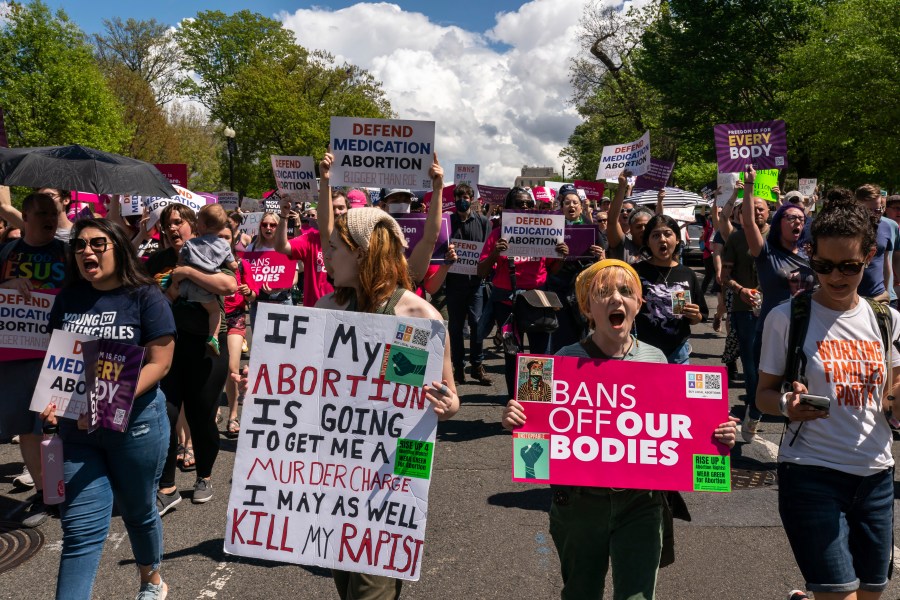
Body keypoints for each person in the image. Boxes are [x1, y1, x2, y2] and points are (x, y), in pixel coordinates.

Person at [502, 258, 737, 600]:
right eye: (604, 292)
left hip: (641, 504)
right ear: (586, 307)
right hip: (578, 507)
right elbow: (533, 437)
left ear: (639, 304)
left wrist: (718, 435)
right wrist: (517, 420)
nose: (616, 299)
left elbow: (680, 428)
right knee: (581, 592)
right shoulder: (559, 363)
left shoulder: (657, 360)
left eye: (627, 292)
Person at [756, 191, 900, 600]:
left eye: (849, 266)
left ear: (870, 256)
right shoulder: (788, 318)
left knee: (871, 594)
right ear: (810, 255)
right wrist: (786, 404)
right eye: (823, 266)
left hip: (875, 476)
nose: (836, 276)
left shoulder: (886, 319)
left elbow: (892, 397)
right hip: (811, 473)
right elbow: (764, 395)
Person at [316, 206, 459, 600]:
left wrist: (446, 405)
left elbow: (447, 397)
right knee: (345, 581)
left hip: (392, 475)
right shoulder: (326, 310)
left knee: (369, 589)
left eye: (333, 248)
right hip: (338, 469)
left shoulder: (414, 317)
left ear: (362, 252)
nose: (324, 256)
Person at [40, 218, 175, 600]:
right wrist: (49, 401)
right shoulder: (68, 298)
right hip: (77, 431)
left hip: (135, 428)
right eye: (80, 246)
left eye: (98, 243)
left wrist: (109, 398)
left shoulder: (146, 296)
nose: (87, 252)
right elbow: (58, 358)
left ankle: (151, 579)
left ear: (119, 247)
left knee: (138, 511)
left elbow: (160, 363)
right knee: (80, 531)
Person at [145, 203, 236, 512]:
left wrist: (185, 272)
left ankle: (204, 477)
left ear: (193, 225)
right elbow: (145, 296)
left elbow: (229, 284)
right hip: (167, 347)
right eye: (166, 224)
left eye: (177, 222)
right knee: (166, 414)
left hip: (208, 347)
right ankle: (167, 486)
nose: (172, 228)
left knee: (201, 416)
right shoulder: (156, 261)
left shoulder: (209, 249)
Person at [0, 192, 69, 527]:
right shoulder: (7, 252)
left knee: (53, 426)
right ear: (23, 217)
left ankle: (58, 493)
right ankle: (45, 494)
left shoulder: (67, 253)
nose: (49, 218)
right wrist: (9, 283)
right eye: (42, 213)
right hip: (15, 354)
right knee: (27, 429)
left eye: (54, 212)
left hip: (57, 351)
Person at [741, 166, 815, 440]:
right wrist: (749, 187)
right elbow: (749, 223)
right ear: (779, 222)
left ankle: (800, 436)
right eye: (791, 218)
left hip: (806, 329)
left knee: (801, 384)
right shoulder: (766, 252)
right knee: (768, 382)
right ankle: (754, 411)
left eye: (801, 218)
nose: (797, 222)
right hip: (772, 329)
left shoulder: (811, 255)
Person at [477, 186, 568, 395]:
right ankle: (515, 405)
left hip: (539, 303)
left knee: (541, 356)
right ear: (509, 208)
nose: (525, 207)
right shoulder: (497, 235)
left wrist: (561, 256)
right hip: (507, 306)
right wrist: (494, 254)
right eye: (520, 203)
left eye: (529, 203)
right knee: (512, 356)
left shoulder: (546, 231)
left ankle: (536, 405)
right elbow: (481, 271)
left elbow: (553, 268)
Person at [722, 194, 769, 440]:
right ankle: (754, 408)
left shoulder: (779, 236)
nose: (757, 213)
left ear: (769, 212)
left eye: (761, 209)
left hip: (778, 311)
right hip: (745, 311)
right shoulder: (736, 238)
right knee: (751, 364)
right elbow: (724, 277)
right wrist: (741, 290)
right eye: (752, 209)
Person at [633, 214, 707, 364]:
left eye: (668, 234)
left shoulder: (687, 274)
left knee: (678, 388)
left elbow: (698, 318)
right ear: (647, 241)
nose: (662, 239)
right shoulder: (635, 272)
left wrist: (695, 315)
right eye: (655, 235)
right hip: (643, 351)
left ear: (677, 239)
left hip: (678, 352)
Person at [168, 204, 237, 355]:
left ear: (203, 226)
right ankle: (213, 337)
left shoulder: (189, 244)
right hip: (205, 292)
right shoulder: (224, 245)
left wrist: (182, 272)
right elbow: (233, 265)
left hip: (186, 287)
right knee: (214, 312)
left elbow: (180, 262)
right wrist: (233, 265)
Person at [548, 183, 605, 353]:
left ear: (581, 207)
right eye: (567, 203)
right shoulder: (553, 226)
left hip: (581, 287)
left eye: (575, 203)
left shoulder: (590, 226)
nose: (571, 206)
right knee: (560, 330)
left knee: (580, 328)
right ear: (562, 206)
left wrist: (599, 254)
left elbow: (603, 258)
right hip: (558, 285)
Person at [445, 183, 492, 385]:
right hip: (454, 283)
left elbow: (488, 250)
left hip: (476, 284)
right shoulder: (447, 222)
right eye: (458, 196)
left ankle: (477, 366)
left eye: (465, 196)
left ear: (472, 199)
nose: (462, 199)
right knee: (455, 328)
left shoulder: (482, 222)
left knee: (477, 324)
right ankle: (458, 368)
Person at [221, 222, 254, 438]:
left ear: (233, 239)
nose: (222, 241)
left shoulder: (242, 265)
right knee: (213, 369)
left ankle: (233, 415)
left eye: (226, 237)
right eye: (218, 237)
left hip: (235, 319)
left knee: (232, 368)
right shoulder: (205, 265)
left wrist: (248, 290)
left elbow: (252, 296)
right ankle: (215, 408)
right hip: (212, 320)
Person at [245, 212, 296, 325]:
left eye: (272, 225)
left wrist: (279, 287)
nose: (268, 228)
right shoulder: (252, 248)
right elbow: (247, 275)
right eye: (264, 224)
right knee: (258, 341)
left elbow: (294, 278)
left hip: (282, 300)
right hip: (259, 302)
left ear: (279, 227)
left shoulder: (288, 247)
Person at [607, 172, 652, 264]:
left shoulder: (657, 248)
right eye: (639, 227)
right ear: (630, 229)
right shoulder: (623, 245)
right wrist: (622, 186)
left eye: (646, 226)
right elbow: (612, 221)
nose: (643, 230)